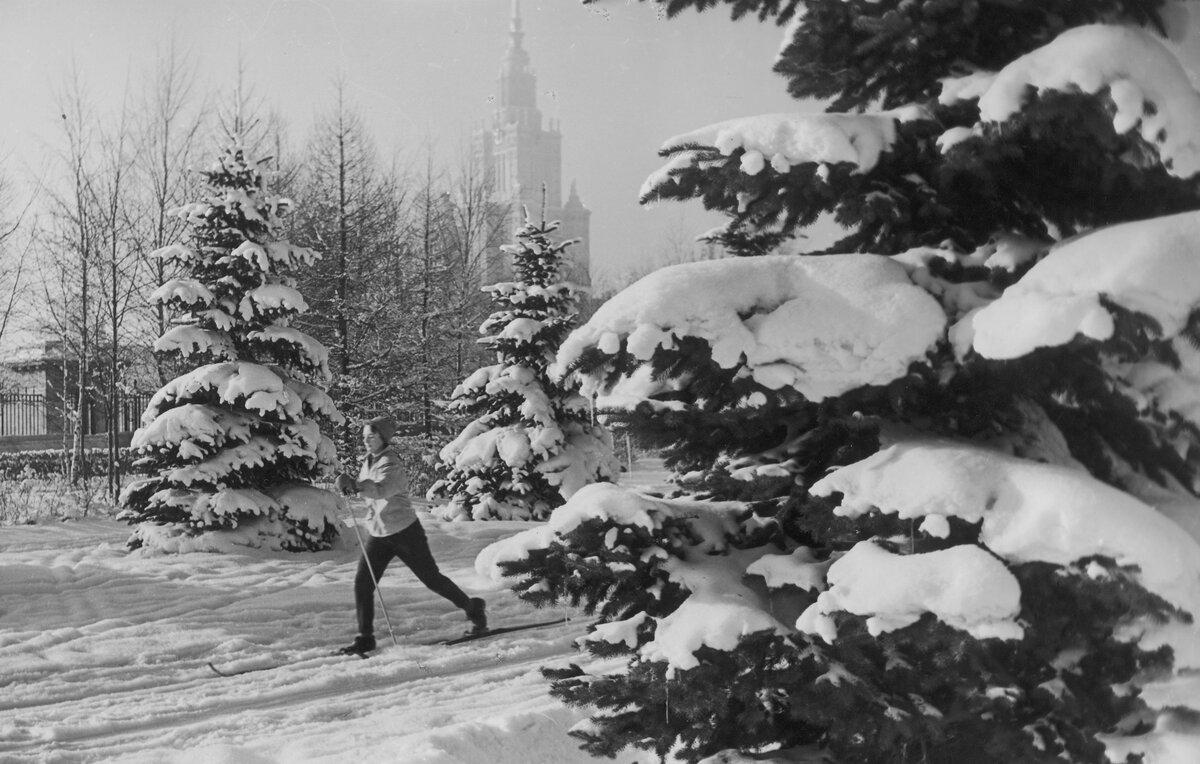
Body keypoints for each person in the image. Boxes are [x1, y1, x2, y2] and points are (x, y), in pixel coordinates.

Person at [333, 415, 486, 655]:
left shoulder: (391, 462)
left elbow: (383, 489)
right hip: (379, 533)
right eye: (364, 437)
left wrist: (357, 485)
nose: (366, 441)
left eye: (371, 436)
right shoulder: (370, 460)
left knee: (431, 579)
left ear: (383, 437)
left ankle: (473, 608)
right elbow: (367, 488)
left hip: (405, 532)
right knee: (363, 584)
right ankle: (365, 638)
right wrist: (351, 485)